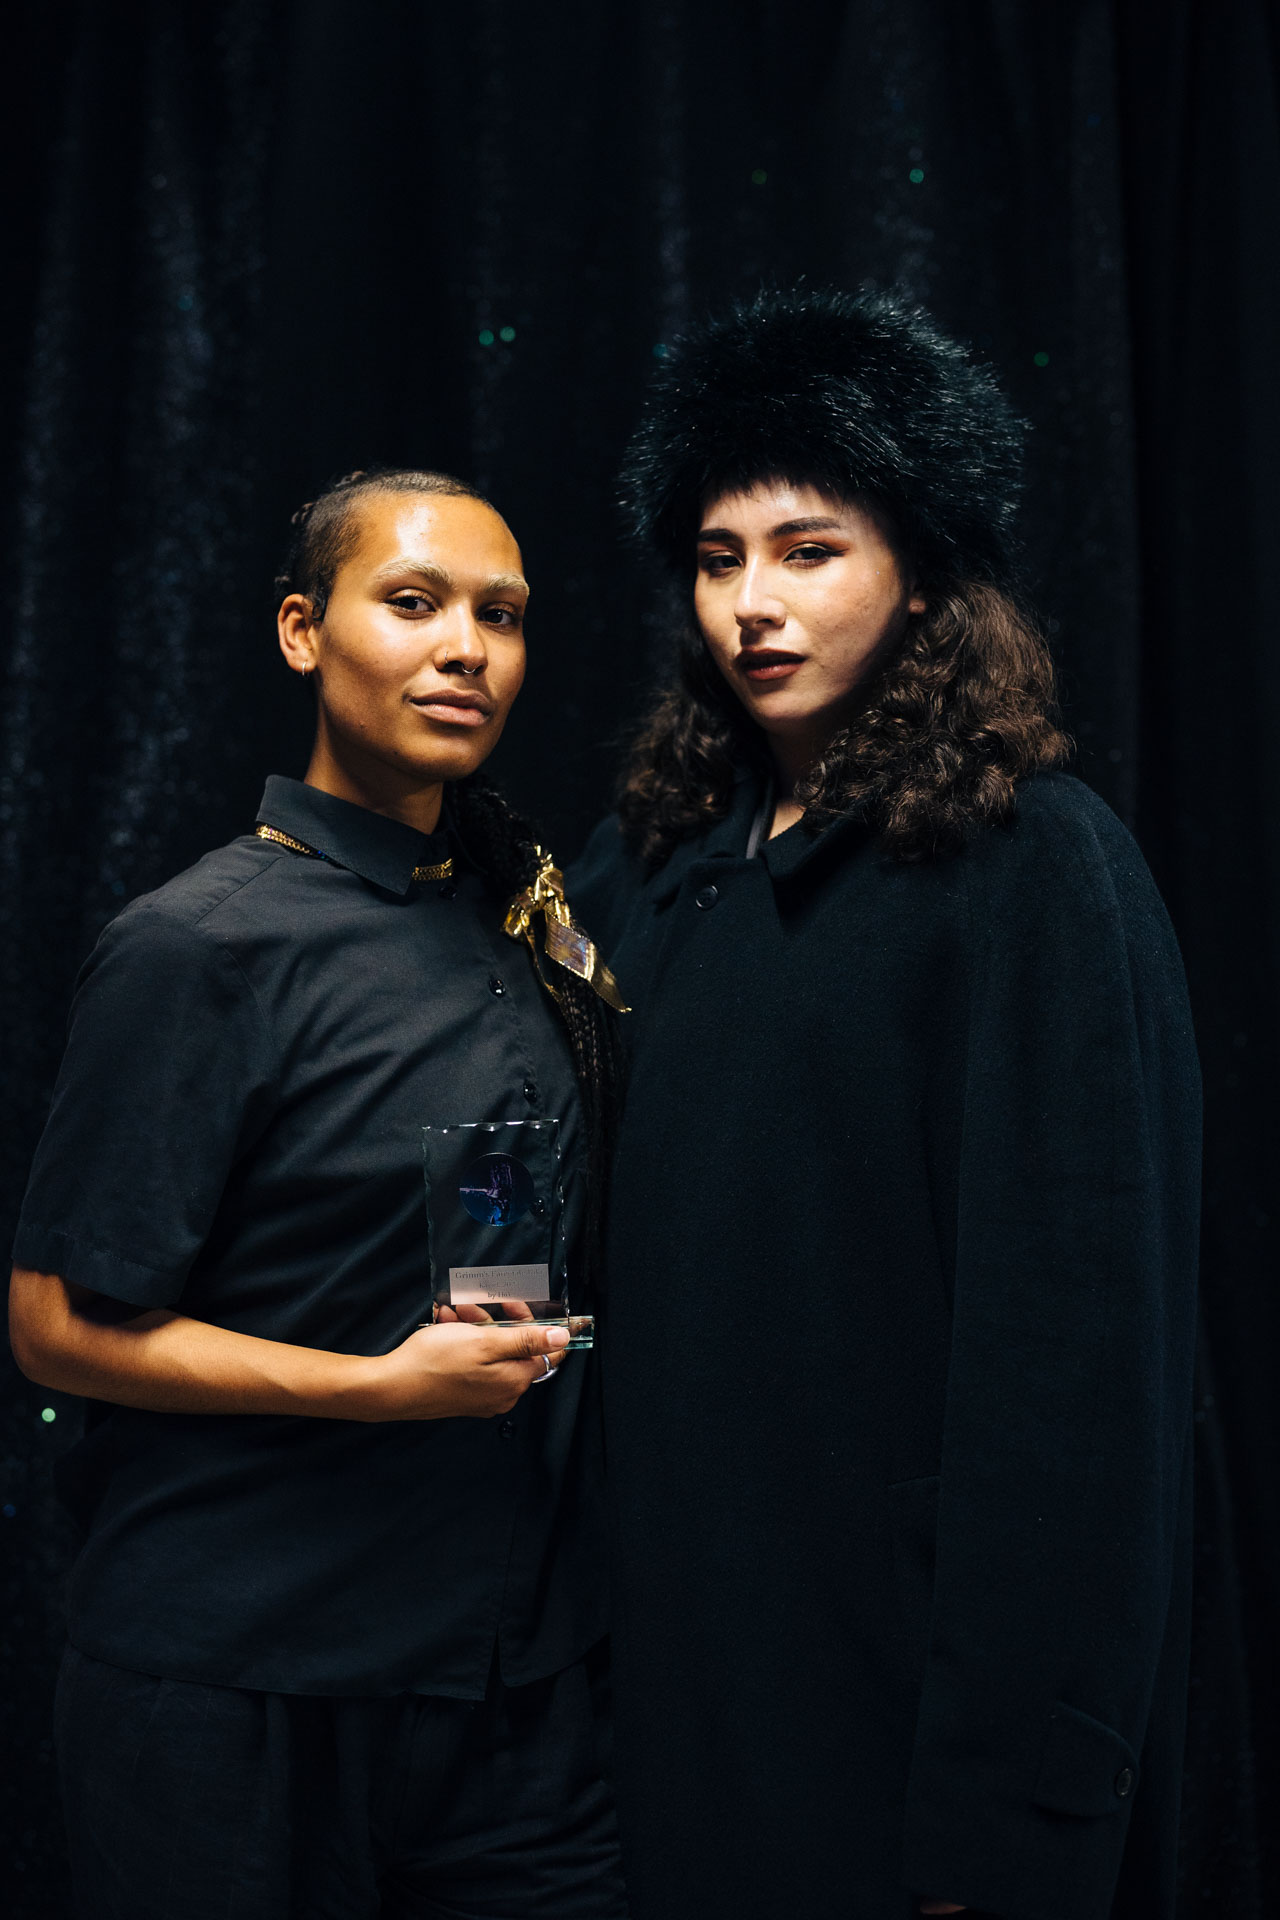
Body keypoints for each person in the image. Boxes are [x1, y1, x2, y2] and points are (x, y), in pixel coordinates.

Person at [571, 290, 1200, 1920]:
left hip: (894, 1714)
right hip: (659, 1707)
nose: (753, 605)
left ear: (918, 571)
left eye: (808, 552)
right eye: (718, 559)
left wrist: (1009, 1808)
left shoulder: (1033, 864)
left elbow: (1079, 1364)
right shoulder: (647, 870)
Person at [9, 468, 629, 1920]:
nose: (464, 647)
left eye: (500, 616)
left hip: (505, 1691)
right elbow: (50, 1328)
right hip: (239, 1687)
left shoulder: (527, 923)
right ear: (303, 631)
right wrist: (370, 1391)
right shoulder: (199, 946)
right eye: (412, 603)